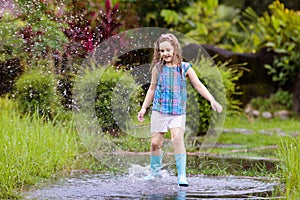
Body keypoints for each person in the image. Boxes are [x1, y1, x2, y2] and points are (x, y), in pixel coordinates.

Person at [137, 33, 223, 187]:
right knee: (155, 143)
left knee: (177, 138)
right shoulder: (158, 68)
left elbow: (198, 85)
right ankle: (154, 172)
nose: (165, 54)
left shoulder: (185, 68)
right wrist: (144, 108)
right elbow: (152, 89)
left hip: (177, 112)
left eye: (168, 50)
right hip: (159, 110)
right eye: (162, 51)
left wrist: (212, 100)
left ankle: (182, 176)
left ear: (175, 49)